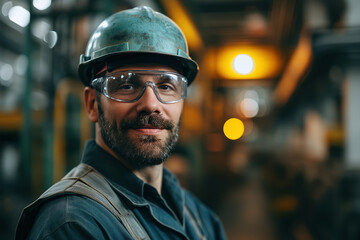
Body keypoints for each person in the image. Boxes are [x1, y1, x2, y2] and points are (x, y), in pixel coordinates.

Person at [16, 6, 226, 240]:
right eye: (127, 85)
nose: (151, 104)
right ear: (92, 104)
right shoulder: (72, 224)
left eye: (166, 86)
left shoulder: (198, 216)